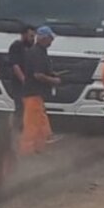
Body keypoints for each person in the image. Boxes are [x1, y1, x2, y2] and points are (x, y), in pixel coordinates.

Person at [19, 26, 60, 155]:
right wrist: (54, 80)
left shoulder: (39, 52)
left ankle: (39, 148)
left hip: (36, 94)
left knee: (39, 121)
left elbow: (41, 71)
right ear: (43, 38)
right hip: (32, 93)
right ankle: (27, 151)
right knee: (32, 124)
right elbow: (38, 75)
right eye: (50, 38)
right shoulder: (36, 53)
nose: (51, 41)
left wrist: (51, 73)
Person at [7, 25, 36, 129]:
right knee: (19, 105)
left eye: (34, 36)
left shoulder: (31, 48)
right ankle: (14, 126)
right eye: (31, 36)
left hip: (29, 83)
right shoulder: (17, 46)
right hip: (18, 82)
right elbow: (15, 65)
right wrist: (24, 80)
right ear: (23, 35)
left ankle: (24, 127)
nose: (33, 39)